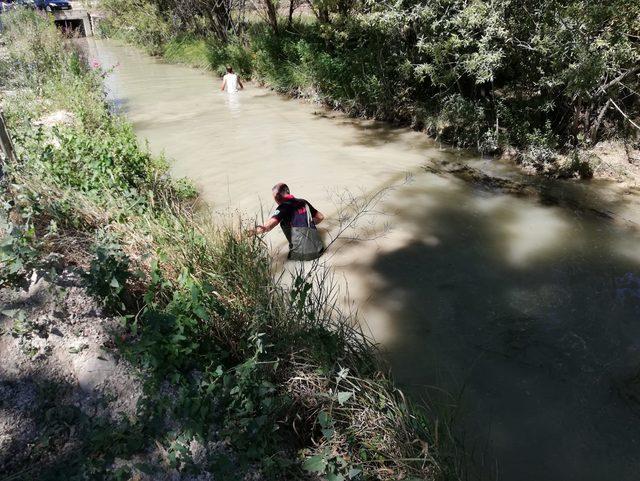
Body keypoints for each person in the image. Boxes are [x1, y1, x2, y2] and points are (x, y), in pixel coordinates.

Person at [252, 183, 325, 261]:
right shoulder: (303, 202)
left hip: (302, 255)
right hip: (320, 250)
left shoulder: (283, 207)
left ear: (278, 196)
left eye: (274, 198)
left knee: (283, 222)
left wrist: (247, 233)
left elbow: (267, 227)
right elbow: (320, 217)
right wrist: (307, 224)